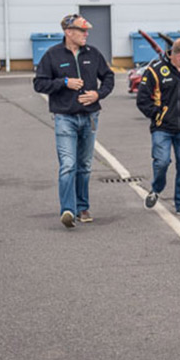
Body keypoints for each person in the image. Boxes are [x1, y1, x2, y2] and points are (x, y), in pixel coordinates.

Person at [33, 14, 115, 228]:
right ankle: (68, 210)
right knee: (68, 165)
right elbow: (39, 84)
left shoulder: (93, 54)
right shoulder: (52, 55)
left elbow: (109, 77)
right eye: (82, 30)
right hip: (65, 118)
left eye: (87, 31)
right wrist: (64, 83)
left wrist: (98, 94)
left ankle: (82, 207)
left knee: (85, 165)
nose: (86, 34)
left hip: (90, 117)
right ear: (69, 32)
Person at [137, 38, 180, 218]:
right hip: (162, 128)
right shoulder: (155, 71)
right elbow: (142, 99)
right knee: (162, 162)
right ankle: (156, 189)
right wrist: (158, 114)